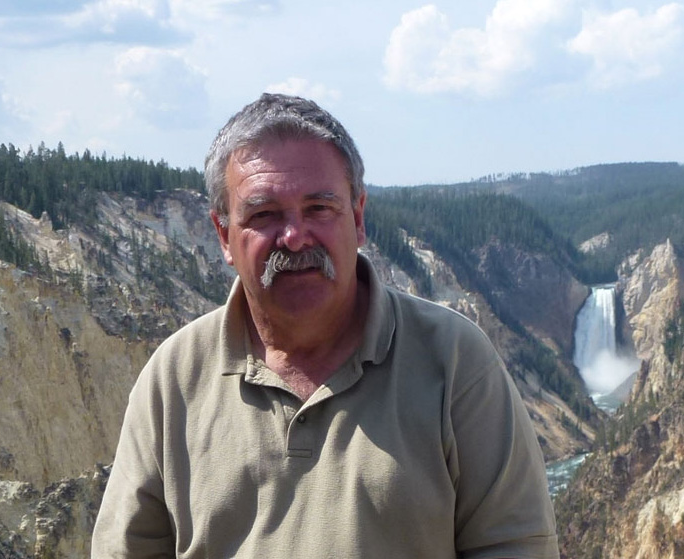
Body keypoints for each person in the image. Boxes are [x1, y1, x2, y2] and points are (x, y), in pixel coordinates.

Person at [92, 93, 560, 558]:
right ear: (224, 236)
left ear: (357, 218)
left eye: (319, 207)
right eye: (263, 215)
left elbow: (514, 546)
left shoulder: (455, 362)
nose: (295, 237)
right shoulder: (173, 380)